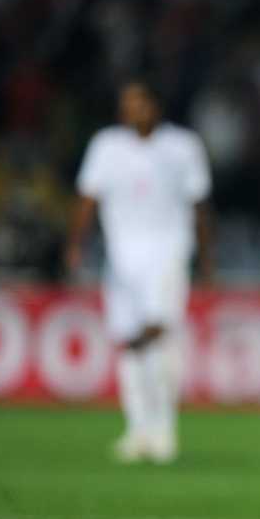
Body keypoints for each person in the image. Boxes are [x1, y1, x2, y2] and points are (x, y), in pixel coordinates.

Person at [66, 79, 213, 463]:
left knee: (157, 333)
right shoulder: (106, 146)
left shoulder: (182, 146)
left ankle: (164, 430)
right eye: (125, 103)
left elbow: (198, 203)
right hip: (120, 259)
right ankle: (138, 430)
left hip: (168, 252)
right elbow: (87, 197)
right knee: (130, 343)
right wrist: (75, 244)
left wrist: (206, 256)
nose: (130, 110)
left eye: (138, 102)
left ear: (155, 106)